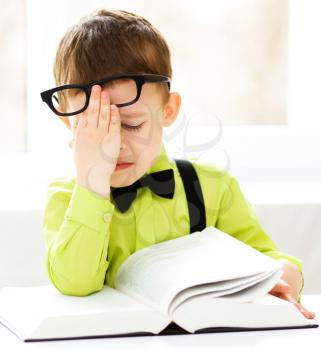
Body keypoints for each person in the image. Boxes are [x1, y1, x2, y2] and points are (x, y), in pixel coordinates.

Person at [41, 8, 315, 319]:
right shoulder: (65, 197)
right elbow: (74, 283)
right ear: (69, 125)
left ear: (168, 110)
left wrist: (277, 278)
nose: (114, 145)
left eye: (131, 125)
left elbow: (271, 261)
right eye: (94, 129)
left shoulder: (213, 187)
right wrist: (92, 183)